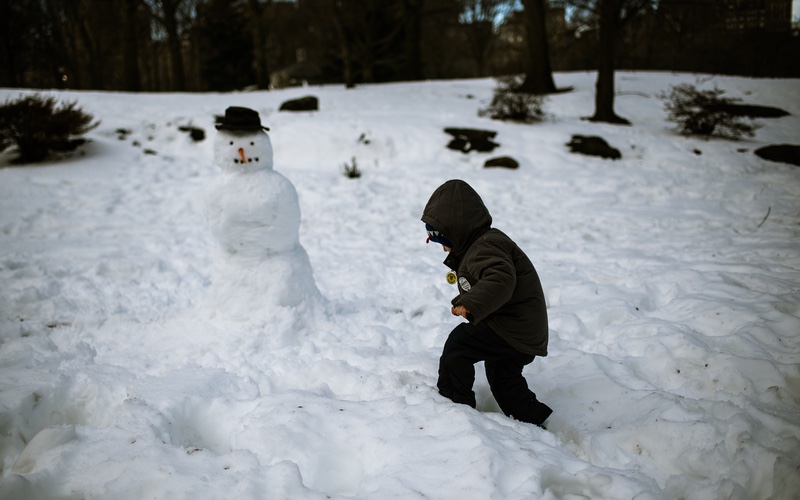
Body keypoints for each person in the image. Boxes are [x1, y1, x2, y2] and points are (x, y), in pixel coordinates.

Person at [422, 179, 552, 427]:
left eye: (443, 241)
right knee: (503, 376)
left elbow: (500, 279)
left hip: (512, 326)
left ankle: (454, 405)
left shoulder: (485, 246)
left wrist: (471, 302)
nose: (443, 249)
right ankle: (532, 420)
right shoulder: (481, 244)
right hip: (523, 328)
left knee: (459, 345)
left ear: (456, 230)